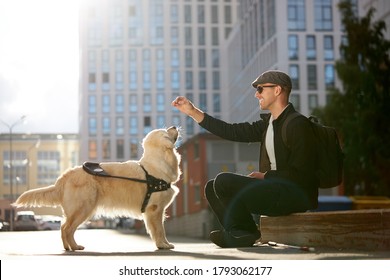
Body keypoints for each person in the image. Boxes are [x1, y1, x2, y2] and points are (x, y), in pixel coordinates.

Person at [171, 70, 319, 248]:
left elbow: (303, 174)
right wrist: (192, 111)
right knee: (212, 187)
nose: (257, 94)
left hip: (294, 196)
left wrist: (266, 176)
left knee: (223, 182)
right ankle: (242, 232)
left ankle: (243, 232)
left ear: (278, 90)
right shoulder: (267, 125)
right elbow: (230, 131)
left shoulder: (297, 124)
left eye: (261, 89)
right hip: (275, 191)